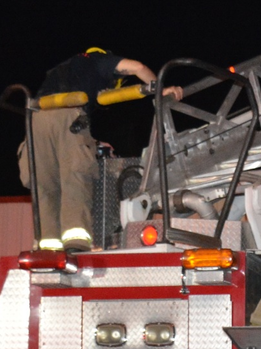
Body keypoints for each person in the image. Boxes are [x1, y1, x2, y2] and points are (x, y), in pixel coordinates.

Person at [20, 48, 159, 252]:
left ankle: (47, 247)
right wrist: (159, 89)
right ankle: (76, 243)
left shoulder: (66, 68)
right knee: (75, 178)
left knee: (45, 184)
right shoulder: (98, 60)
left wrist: (92, 143)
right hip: (68, 115)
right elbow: (138, 67)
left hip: (35, 121)